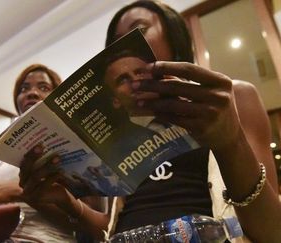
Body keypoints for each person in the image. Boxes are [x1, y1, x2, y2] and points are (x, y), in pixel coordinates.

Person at [17, 1, 281, 242]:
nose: (127, 47)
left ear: (173, 36)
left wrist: (230, 143)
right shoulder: (116, 134)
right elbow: (114, 229)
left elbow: (273, 231)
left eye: (139, 30)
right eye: (117, 42)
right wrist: (67, 204)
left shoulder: (232, 97)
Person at [0, 64, 99, 242]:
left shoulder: (76, 144)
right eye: (24, 88)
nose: (32, 92)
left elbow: (88, 223)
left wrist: (20, 192)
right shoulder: (3, 155)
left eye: (43, 87)